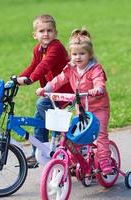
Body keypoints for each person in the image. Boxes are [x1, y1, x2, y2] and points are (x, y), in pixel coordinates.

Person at [35, 28, 113, 174]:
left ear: (89, 55)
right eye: (75, 54)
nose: (78, 57)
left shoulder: (95, 68)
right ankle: (75, 161)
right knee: (74, 136)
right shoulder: (70, 68)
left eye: (82, 54)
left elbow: (99, 81)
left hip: (99, 108)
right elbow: (58, 80)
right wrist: (46, 89)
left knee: (101, 134)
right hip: (82, 108)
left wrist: (98, 89)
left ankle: (104, 160)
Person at [16, 14, 72, 168]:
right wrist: (17, 80)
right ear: (35, 35)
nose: (46, 34)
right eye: (42, 31)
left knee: (41, 105)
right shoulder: (38, 49)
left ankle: (59, 136)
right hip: (51, 92)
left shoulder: (56, 47)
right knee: (38, 123)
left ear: (55, 33)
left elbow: (45, 65)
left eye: (49, 30)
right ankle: (38, 154)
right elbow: (33, 66)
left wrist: (30, 79)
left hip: (64, 91)